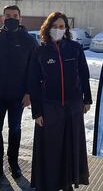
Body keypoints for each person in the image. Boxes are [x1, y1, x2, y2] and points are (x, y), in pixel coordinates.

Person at [29, 11, 92, 191]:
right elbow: (33, 82)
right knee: (52, 148)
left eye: (61, 26)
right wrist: (37, 112)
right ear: (47, 28)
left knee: (71, 145)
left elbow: (84, 74)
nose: (58, 29)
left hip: (73, 106)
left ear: (66, 29)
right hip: (50, 107)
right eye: (54, 26)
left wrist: (86, 99)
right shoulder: (40, 50)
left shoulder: (75, 48)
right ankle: (50, 183)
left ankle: (68, 182)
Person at [0, 5, 38, 185]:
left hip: (18, 97)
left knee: (15, 129)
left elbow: (33, 70)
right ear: (2, 18)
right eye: (8, 15)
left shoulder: (29, 41)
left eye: (15, 15)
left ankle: (13, 162)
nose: (11, 18)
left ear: (20, 18)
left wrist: (29, 93)